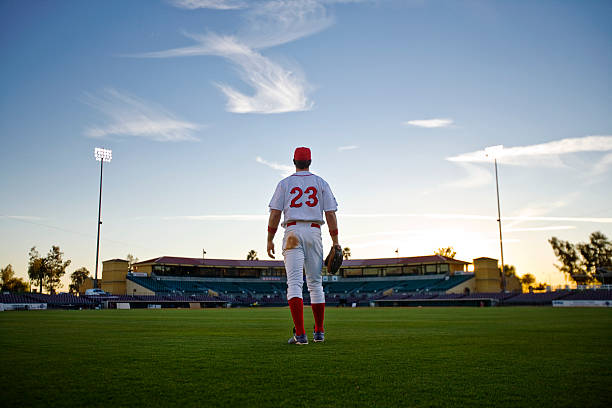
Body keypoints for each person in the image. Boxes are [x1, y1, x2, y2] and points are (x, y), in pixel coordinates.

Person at [267, 147, 340, 345]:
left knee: (295, 284)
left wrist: (269, 238)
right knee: (316, 283)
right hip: (315, 231)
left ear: (293, 161)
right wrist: (336, 242)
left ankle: (300, 334)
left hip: (292, 232)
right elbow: (330, 214)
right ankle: (319, 332)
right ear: (310, 161)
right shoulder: (321, 182)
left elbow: (274, 214)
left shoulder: (284, 183)